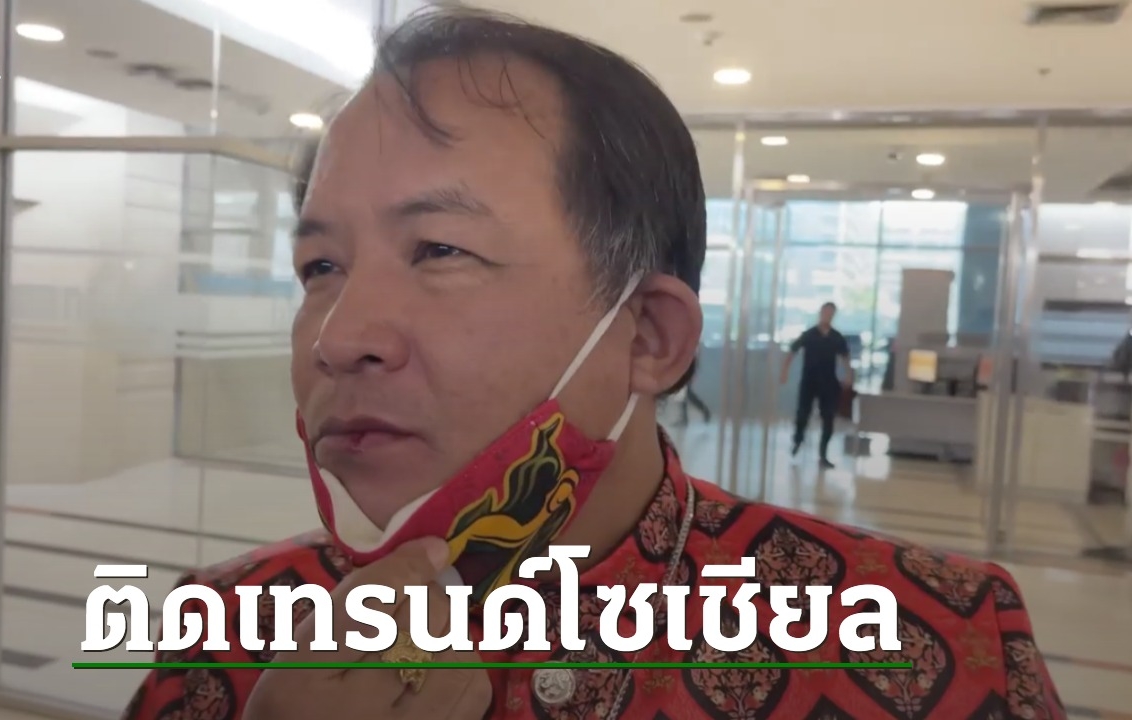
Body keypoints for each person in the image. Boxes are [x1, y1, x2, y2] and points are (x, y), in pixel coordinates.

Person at [122, 9, 1063, 720]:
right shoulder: (227, 633)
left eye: (440, 250)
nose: (337, 336)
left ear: (648, 336)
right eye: (320, 267)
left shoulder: (931, 638)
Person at [781, 301, 853, 469]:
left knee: (828, 417)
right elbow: (793, 351)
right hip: (809, 381)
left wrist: (849, 376)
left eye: (830, 313)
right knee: (802, 413)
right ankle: (798, 440)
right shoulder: (809, 334)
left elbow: (845, 357)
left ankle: (823, 454)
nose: (827, 315)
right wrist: (784, 371)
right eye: (825, 312)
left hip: (828, 382)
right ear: (821, 313)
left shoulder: (836, 337)